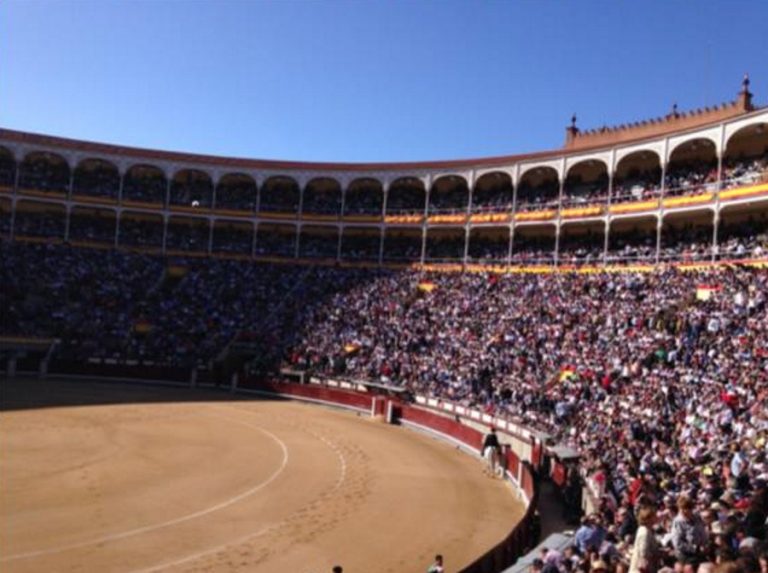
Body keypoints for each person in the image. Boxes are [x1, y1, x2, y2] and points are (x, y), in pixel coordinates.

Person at [629, 506, 661, 573]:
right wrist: (658, 554)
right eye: (653, 516)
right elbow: (644, 554)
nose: (656, 517)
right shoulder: (644, 532)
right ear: (648, 518)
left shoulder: (644, 529)